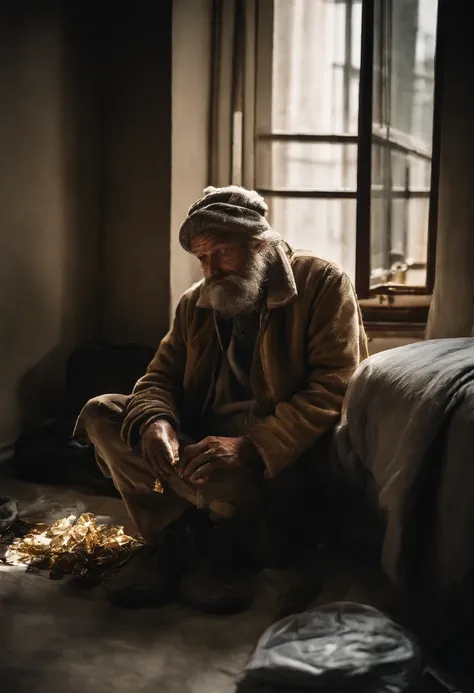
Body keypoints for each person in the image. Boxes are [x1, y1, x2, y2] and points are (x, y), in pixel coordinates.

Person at [75, 185, 368, 613]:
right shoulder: (196, 303)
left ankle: (212, 545)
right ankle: (186, 538)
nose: (211, 270)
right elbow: (159, 376)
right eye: (202, 259)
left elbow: (338, 385)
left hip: (278, 460)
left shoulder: (321, 282)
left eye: (222, 253)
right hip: (204, 454)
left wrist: (252, 448)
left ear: (259, 244)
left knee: (242, 486)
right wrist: (156, 420)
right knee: (102, 413)